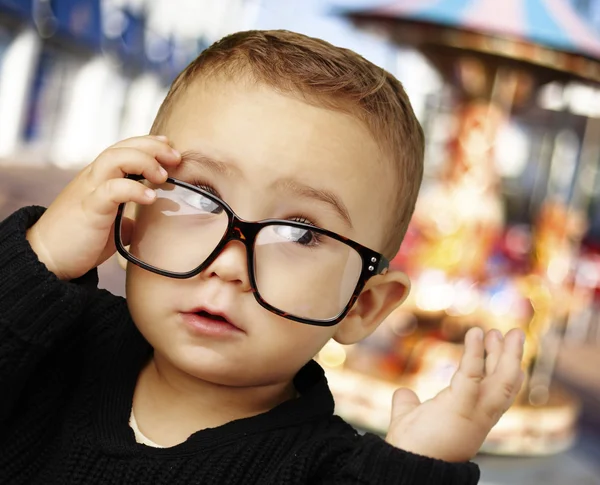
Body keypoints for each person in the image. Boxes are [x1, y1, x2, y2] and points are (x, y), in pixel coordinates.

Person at [0, 30, 525, 484]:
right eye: (199, 198)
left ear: (362, 306)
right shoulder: (46, 341)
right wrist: (39, 256)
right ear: (130, 216)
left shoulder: (333, 469)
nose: (228, 265)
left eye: (299, 233)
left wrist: (416, 467)